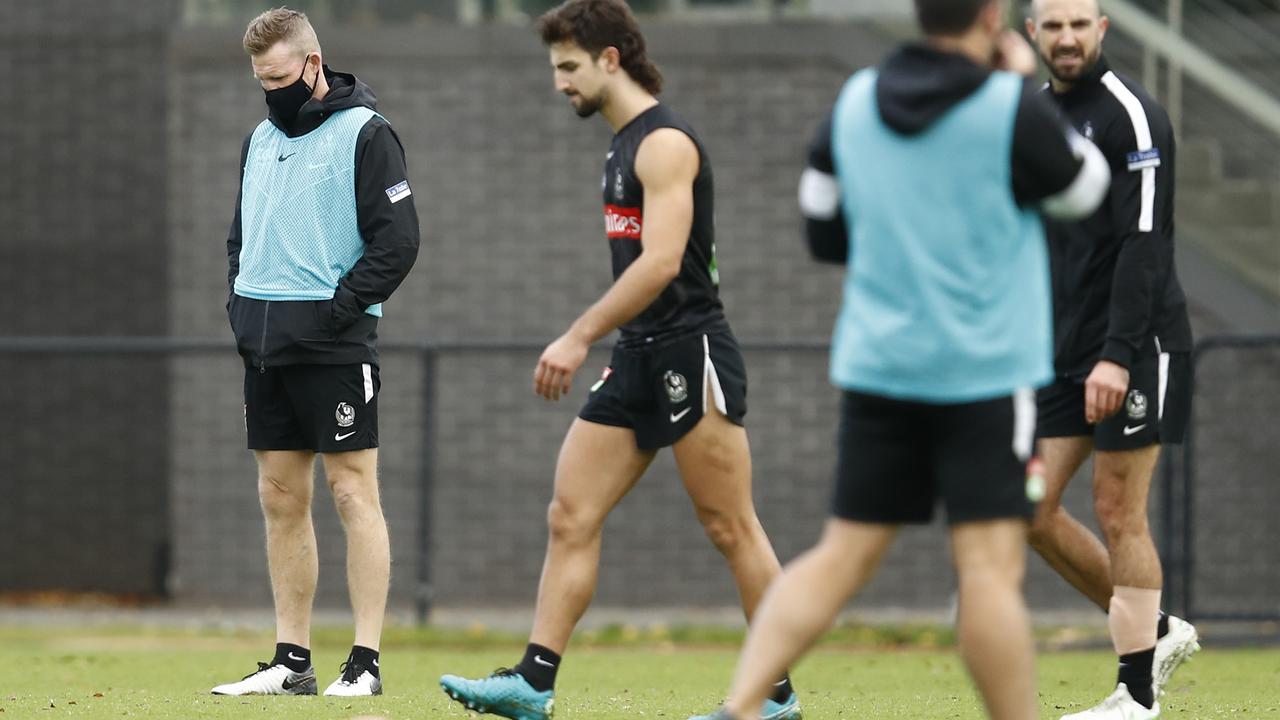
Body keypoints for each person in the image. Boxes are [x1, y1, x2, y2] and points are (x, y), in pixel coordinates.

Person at [688, 0, 1114, 718]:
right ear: (991, 16)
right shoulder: (1009, 107)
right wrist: (1013, 88)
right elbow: (1086, 191)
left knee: (840, 556)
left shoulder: (854, 101)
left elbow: (822, 229)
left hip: (880, 368)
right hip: (984, 376)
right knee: (986, 570)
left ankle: (740, 708)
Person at [438, 1, 800, 718]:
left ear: (611, 59)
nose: (559, 84)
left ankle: (773, 698)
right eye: (555, 70)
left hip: (690, 348)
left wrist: (577, 335)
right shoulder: (621, 143)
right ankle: (532, 684)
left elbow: (663, 262)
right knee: (570, 513)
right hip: (637, 352)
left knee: (731, 526)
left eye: (569, 68)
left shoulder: (664, 143)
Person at [210, 7, 420, 698]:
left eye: (278, 77)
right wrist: (241, 303)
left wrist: (335, 313)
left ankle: (364, 663)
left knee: (353, 490)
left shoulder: (367, 133)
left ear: (312, 63)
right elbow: (241, 237)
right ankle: (290, 661)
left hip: (333, 347)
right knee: (279, 496)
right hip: (263, 349)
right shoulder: (257, 140)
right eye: (259, 81)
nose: (270, 91)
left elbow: (398, 242)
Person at [1025, 1, 1199, 717]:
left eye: (1078, 23)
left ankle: (1136, 696)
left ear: (1102, 28)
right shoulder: (1030, 117)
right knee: (1021, 504)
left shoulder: (1133, 114)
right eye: (1052, 25)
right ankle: (1152, 629)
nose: (1066, 38)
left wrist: (1118, 355)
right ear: (1030, 32)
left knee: (1117, 508)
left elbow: (1145, 243)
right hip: (1061, 353)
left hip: (1137, 345)